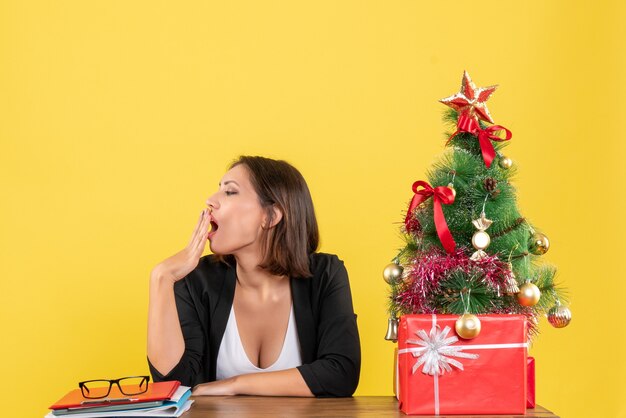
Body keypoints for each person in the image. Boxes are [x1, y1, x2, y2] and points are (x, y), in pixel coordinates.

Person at [146, 156, 361, 397]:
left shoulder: (326, 274)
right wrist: (162, 278)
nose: (210, 201)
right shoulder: (196, 281)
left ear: (270, 216)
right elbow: (175, 385)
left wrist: (235, 384)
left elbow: (341, 373)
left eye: (229, 192)